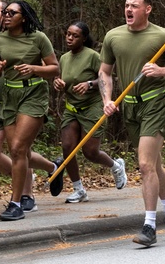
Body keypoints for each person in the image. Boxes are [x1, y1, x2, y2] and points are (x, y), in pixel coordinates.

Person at [100, 0, 165, 246]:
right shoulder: (113, 36)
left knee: (144, 165)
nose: (129, 10)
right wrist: (107, 99)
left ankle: (149, 226)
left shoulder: (162, 36)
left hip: (156, 102)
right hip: (130, 107)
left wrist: (162, 70)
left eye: (135, 6)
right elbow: (105, 72)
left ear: (148, 9)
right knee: (154, 165)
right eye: (126, 5)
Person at [0, 0, 54, 212]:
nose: (3, 16)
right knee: (3, 151)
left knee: (19, 148)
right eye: (5, 12)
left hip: (31, 95)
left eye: (9, 12)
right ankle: (50, 168)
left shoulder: (38, 38)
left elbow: (55, 68)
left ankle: (19, 200)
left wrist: (34, 69)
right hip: (2, 100)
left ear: (23, 17)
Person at [54, 21, 128, 203]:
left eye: (75, 35)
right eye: (68, 34)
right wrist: (58, 84)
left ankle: (115, 166)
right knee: (67, 148)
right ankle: (78, 189)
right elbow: (64, 83)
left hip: (92, 107)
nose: (70, 38)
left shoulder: (94, 56)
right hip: (72, 108)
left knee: (90, 152)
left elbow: (105, 78)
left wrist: (89, 84)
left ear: (84, 38)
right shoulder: (64, 58)